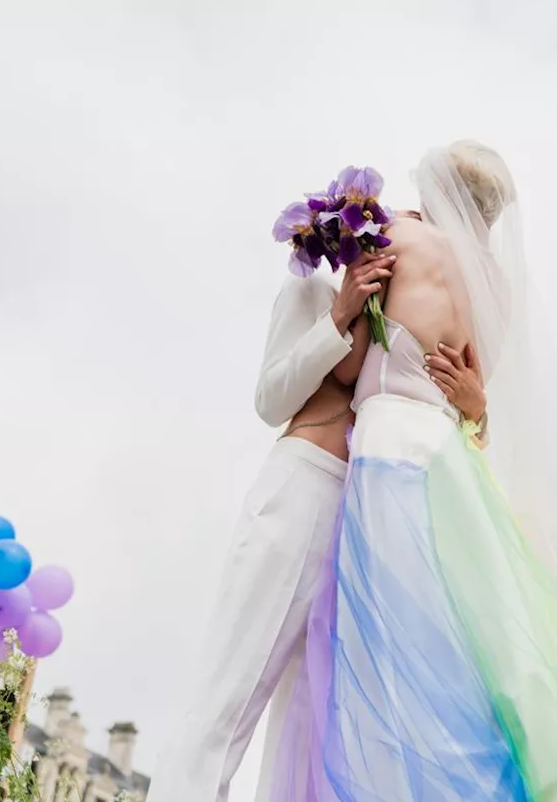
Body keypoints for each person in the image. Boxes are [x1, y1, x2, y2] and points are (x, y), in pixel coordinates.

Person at [260, 141, 557, 801]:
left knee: (394, 644)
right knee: (466, 645)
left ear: (440, 189)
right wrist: (474, 409)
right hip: (453, 460)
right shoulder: (496, 286)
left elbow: (347, 368)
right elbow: (476, 393)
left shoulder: (397, 238)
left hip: (389, 449)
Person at [148, 243, 489, 802]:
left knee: (312, 719)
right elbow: (270, 397)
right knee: (228, 693)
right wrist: (339, 314)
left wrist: (476, 409)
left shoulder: (413, 305)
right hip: (301, 489)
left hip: (362, 521)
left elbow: (453, 433)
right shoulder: (311, 289)